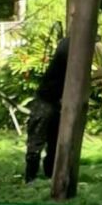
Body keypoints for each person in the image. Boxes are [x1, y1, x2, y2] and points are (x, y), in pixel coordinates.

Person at [25, 35, 70, 183]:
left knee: (55, 142)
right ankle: (30, 178)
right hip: (45, 100)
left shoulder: (68, 47)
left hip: (57, 102)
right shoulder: (66, 48)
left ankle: (50, 175)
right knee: (36, 141)